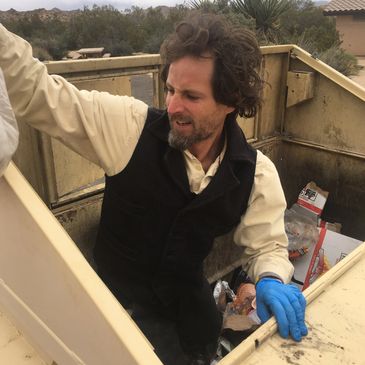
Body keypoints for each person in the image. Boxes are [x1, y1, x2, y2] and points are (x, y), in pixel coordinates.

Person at [0, 13, 307, 365]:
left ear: (230, 101)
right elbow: (39, 93)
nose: (173, 106)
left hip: (190, 327)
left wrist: (271, 278)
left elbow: (268, 244)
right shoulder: (128, 128)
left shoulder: (255, 173)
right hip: (111, 317)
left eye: (191, 96)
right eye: (170, 89)